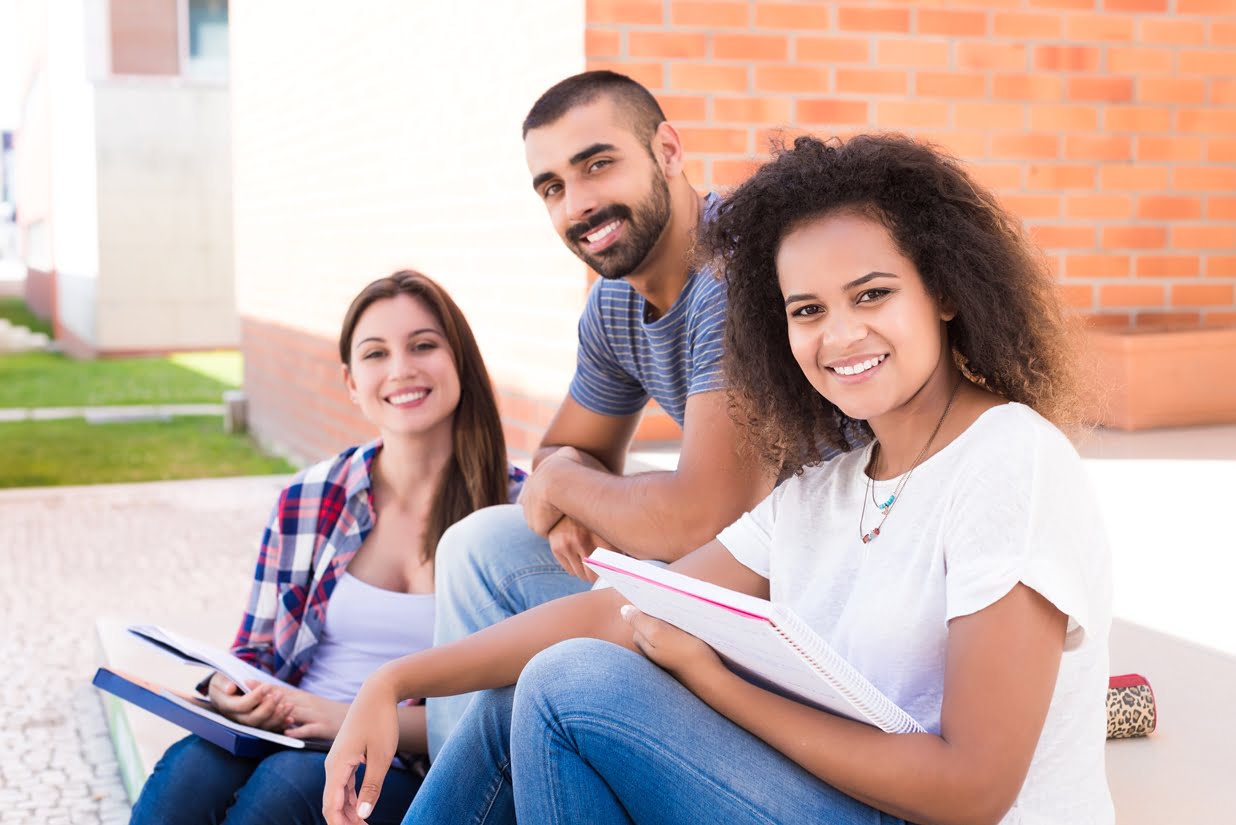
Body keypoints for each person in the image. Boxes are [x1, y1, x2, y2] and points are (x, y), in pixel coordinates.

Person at [323, 135, 1113, 825]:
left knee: (570, 687)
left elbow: (972, 791)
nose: (840, 334)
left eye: (872, 294)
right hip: (830, 796)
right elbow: (618, 612)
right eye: (806, 309)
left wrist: (712, 681)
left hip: (930, 815)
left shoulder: (1010, 458)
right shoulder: (828, 485)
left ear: (942, 290)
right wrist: (394, 681)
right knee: (523, 694)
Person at [426, 70, 774, 756]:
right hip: (711, 563)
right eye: (552, 187)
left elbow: (701, 514)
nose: (578, 204)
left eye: (598, 164)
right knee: (476, 545)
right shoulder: (615, 306)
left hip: (790, 588)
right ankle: (468, 771)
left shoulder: (738, 271)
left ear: (668, 151)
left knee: (523, 617)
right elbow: (554, 459)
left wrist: (568, 488)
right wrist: (570, 490)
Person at [129, 271, 525, 825]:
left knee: (283, 793)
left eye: (423, 345)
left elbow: (501, 712)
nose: (401, 369)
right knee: (186, 775)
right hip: (288, 725)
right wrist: (229, 688)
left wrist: (348, 718)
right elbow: (255, 651)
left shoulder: (515, 517)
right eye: (375, 354)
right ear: (350, 383)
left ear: (460, 359)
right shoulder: (310, 497)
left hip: (412, 763)